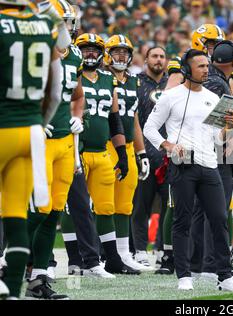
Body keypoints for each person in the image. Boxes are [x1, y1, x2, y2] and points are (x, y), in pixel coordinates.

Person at [144, 49, 233, 292]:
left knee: (220, 219)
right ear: (186, 69)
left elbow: (217, 139)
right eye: (200, 66)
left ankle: (224, 276)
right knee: (182, 220)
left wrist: (228, 128)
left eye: (206, 65)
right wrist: (167, 145)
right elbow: (150, 127)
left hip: (209, 164)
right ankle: (184, 275)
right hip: (183, 166)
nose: (205, 70)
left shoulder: (212, 98)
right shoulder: (171, 97)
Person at [0, 0, 63, 299]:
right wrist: (40, 122)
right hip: (31, 132)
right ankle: (13, 292)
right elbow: (57, 86)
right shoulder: (44, 25)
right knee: (16, 217)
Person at [25, 0, 84, 300]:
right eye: (60, 22)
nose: (66, 28)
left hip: (63, 141)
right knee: (35, 209)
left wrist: (77, 116)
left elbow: (77, 95)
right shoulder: (30, 50)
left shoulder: (74, 54)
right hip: (39, 140)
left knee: (53, 214)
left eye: (68, 22)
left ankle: (38, 278)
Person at [74, 33, 139, 275]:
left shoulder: (106, 79)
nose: (90, 53)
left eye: (94, 49)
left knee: (106, 206)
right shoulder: (72, 75)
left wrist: (122, 152)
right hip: (76, 150)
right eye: (85, 49)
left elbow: (115, 120)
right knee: (71, 206)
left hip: (102, 151)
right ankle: (74, 259)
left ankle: (109, 259)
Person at [104, 34, 152, 272]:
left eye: (125, 52)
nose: (121, 56)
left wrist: (142, 152)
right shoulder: (101, 78)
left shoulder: (134, 81)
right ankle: (104, 254)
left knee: (125, 204)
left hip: (130, 147)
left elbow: (134, 119)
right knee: (104, 203)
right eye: (116, 52)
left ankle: (123, 253)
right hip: (106, 145)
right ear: (107, 54)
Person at [132, 46, 169, 268]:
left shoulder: (173, 83)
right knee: (140, 206)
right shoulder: (135, 83)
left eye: (162, 56)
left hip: (167, 156)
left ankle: (163, 250)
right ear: (146, 59)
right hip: (143, 153)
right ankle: (139, 250)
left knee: (168, 207)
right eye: (154, 56)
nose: (158, 60)